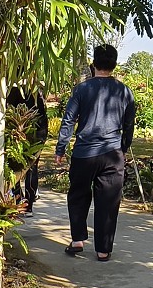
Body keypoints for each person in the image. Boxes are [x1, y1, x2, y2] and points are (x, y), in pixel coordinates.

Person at [55, 44, 136, 262]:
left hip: (84, 154)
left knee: (78, 195)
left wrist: (61, 148)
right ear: (114, 64)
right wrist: (124, 148)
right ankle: (103, 249)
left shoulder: (82, 89)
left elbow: (69, 120)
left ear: (94, 64)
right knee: (108, 202)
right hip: (112, 153)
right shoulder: (125, 91)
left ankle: (78, 240)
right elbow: (129, 124)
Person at [9, 82, 48, 216]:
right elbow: (43, 117)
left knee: (14, 169)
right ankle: (28, 205)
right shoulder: (36, 92)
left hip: (16, 135)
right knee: (31, 168)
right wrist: (42, 139)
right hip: (34, 135)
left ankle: (20, 201)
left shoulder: (10, 91)